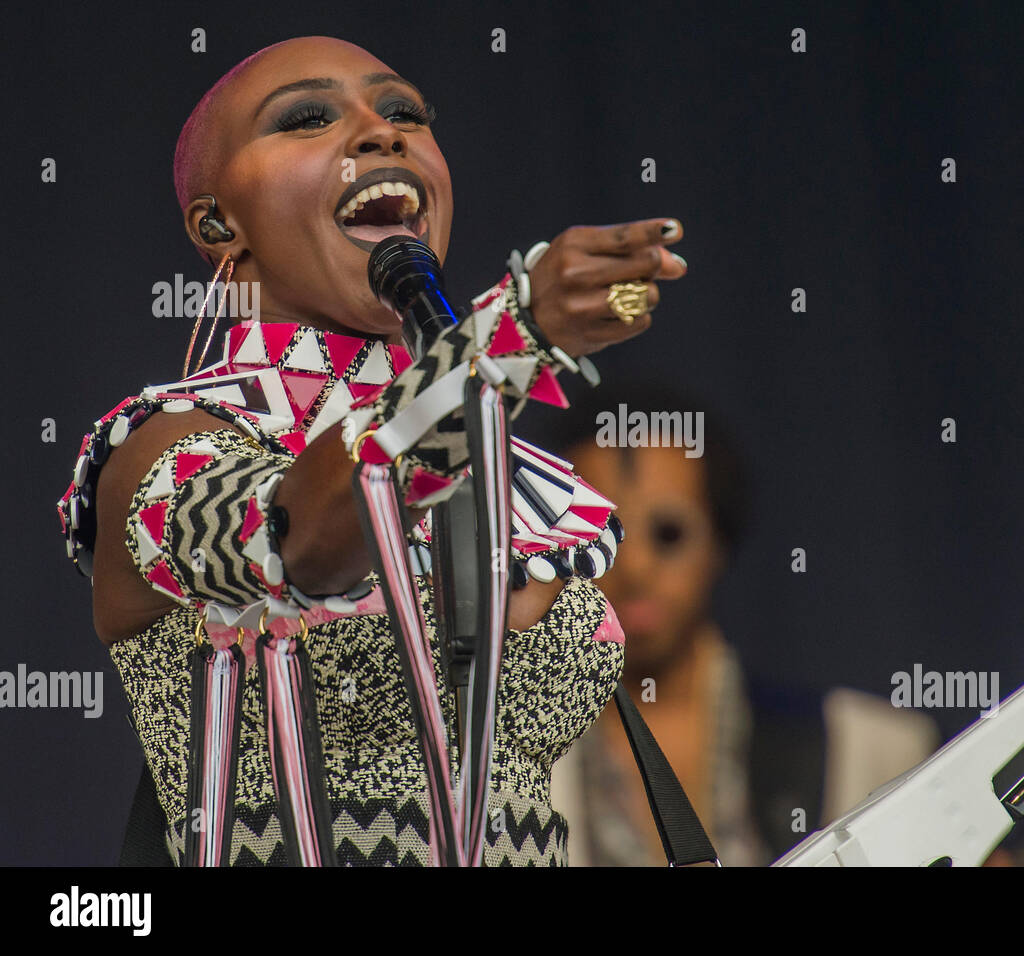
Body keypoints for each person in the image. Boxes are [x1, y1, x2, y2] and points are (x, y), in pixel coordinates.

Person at [55, 35, 687, 866]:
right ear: (218, 224)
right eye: (308, 118)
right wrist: (502, 346)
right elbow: (300, 543)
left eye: (404, 114)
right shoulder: (165, 446)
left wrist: (489, 362)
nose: (380, 134)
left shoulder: (492, 454)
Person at [543, 384, 941, 864]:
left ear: (719, 543)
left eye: (668, 533)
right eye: (600, 540)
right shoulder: (500, 772)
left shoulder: (865, 751)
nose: (635, 569)